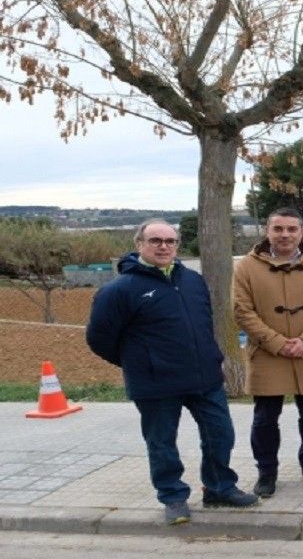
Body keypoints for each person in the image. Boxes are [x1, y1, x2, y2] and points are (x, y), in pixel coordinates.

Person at [86, 219, 257, 525]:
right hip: (156, 384)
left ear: (178, 245)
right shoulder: (119, 290)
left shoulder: (192, 280)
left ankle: (219, 488)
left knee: (221, 434)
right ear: (140, 244)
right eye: (155, 241)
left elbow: (204, 323)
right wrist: (141, 362)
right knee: (162, 442)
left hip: (204, 378)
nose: (164, 246)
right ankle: (173, 496)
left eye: (170, 241)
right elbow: (99, 339)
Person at [234, 207, 303, 496]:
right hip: (268, 354)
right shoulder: (246, 267)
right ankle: (266, 471)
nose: (285, 235)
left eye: (292, 229)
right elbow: (242, 311)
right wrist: (278, 343)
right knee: (265, 418)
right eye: (278, 229)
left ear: (302, 232)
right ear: (267, 231)